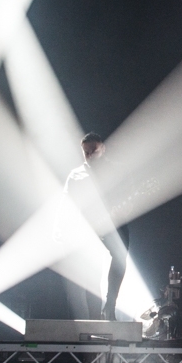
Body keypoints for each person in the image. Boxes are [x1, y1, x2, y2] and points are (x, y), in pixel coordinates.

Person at [64, 132, 130, 321]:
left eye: (94, 150)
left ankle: (110, 305)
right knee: (92, 270)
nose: (90, 155)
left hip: (115, 223)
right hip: (87, 227)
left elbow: (128, 196)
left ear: (103, 148)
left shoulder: (116, 171)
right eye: (86, 152)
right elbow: (68, 202)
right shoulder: (76, 175)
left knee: (120, 258)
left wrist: (124, 209)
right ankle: (95, 318)